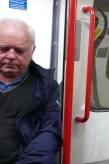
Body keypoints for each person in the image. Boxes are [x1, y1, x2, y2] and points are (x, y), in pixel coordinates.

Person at [0, 18, 62, 163]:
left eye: (19, 50)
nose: (10, 56)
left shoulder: (47, 87)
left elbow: (49, 133)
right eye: (3, 48)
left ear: (32, 51)